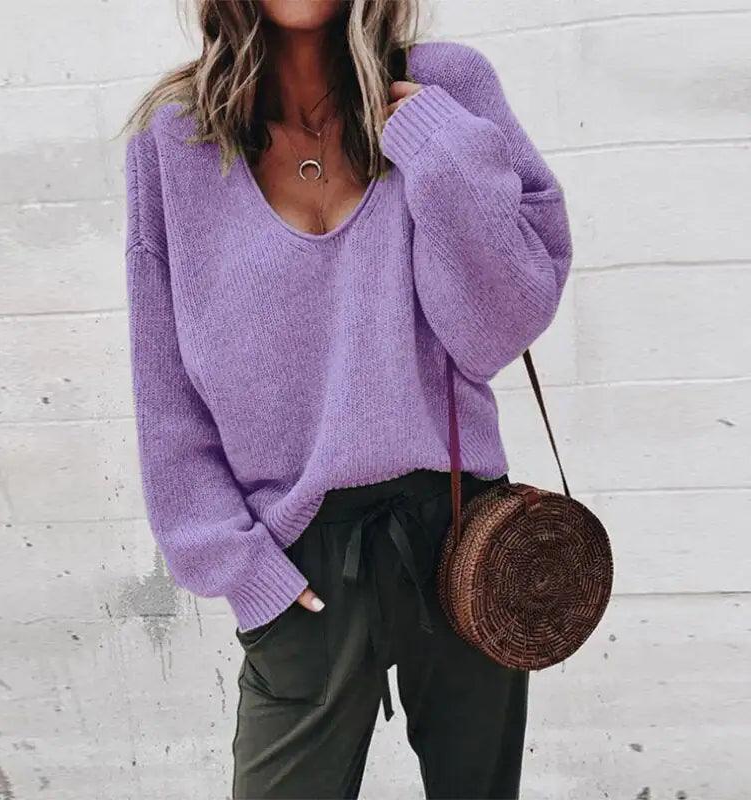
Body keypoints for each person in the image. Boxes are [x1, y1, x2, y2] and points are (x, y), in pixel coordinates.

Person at [122, 1, 572, 797]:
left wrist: (440, 151)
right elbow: (165, 388)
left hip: (463, 534)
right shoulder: (176, 137)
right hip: (297, 552)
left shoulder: (446, 88)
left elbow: (496, 330)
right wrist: (241, 569)